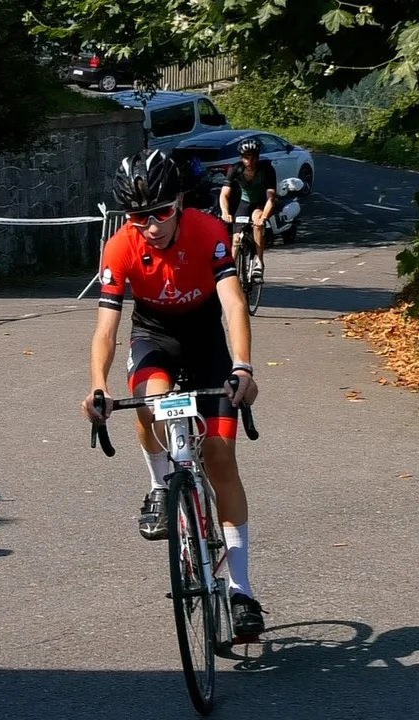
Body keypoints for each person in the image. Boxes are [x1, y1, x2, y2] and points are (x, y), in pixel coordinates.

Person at [81, 149, 267, 638]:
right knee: (152, 402)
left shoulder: (208, 231)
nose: (150, 226)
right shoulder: (120, 247)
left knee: (221, 457)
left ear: (179, 201)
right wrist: (98, 386)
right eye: (137, 216)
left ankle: (241, 590)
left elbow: (233, 302)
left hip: (206, 342)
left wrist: (243, 366)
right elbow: (106, 329)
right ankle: (162, 485)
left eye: (160, 212)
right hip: (154, 339)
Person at [219, 137, 278, 279]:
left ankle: (259, 261)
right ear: (241, 158)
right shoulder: (235, 169)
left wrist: (264, 217)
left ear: (258, 157)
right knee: (236, 238)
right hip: (245, 203)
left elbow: (271, 198)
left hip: (261, 204)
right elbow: (224, 194)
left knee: (257, 223)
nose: (249, 162)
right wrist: (225, 212)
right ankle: (230, 273)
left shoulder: (266, 169)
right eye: (246, 158)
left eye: (253, 158)